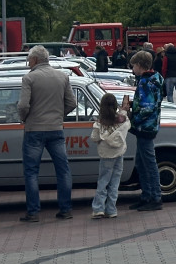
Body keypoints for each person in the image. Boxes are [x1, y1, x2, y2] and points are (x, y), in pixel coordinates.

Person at [17, 45, 78, 222]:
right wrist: (59, 115)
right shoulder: (62, 76)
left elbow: (23, 105)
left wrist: (24, 119)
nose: (28, 63)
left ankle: (33, 212)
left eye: (29, 60)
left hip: (34, 129)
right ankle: (65, 209)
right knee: (63, 170)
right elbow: (72, 103)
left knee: (31, 171)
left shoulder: (29, 78)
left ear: (35, 60)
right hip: (56, 128)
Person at [127, 50, 163, 211]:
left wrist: (131, 118)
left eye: (133, 65)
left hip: (145, 127)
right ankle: (146, 195)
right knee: (141, 163)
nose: (132, 68)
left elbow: (147, 107)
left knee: (148, 163)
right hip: (150, 125)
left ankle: (155, 197)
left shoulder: (145, 82)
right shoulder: (156, 78)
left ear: (140, 65)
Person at [89, 93, 130, 219]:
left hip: (106, 155)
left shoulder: (100, 122)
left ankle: (98, 208)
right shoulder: (121, 119)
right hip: (119, 153)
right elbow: (126, 123)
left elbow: (94, 138)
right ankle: (111, 209)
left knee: (103, 181)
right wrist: (124, 109)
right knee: (115, 181)